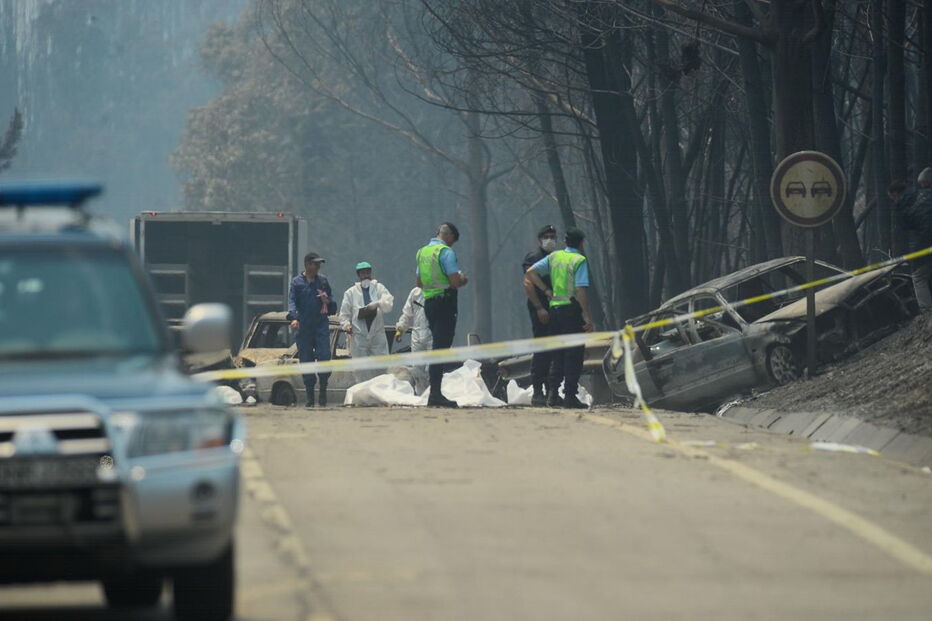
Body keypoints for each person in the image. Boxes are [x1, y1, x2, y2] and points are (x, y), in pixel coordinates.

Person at [524, 227, 594, 409]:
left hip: (554, 310)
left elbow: (530, 273)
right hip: (571, 311)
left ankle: (553, 394)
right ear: (581, 243)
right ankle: (570, 395)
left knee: (557, 354)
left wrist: (547, 291)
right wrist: (587, 315)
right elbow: (580, 289)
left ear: (564, 241)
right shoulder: (579, 260)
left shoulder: (555, 257)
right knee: (574, 354)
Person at [416, 222, 468, 407]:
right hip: (445, 303)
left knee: (437, 347)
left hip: (429, 303)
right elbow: (454, 281)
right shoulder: (446, 252)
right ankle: (436, 394)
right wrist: (462, 279)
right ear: (450, 236)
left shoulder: (422, 252)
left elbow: (419, 282)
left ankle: (435, 392)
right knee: (441, 349)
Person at [287, 252, 336, 408]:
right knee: (306, 359)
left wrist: (327, 301)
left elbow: (332, 303)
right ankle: (310, 396)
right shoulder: (297, 283)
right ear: (307, 264)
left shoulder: (323, 281)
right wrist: (294, 318)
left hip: (320, 324)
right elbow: (292, 301)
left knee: (324, 356)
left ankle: (322, 390)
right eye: (314, 264)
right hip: (304, 326)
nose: (317, 267)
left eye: (319, 264)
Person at [338, 261, 395, 383]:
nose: (366, 275)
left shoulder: (379, 288)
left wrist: (378, 303)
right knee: (360, 369)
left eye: (368, 272)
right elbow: (344, 315)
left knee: (381, 366)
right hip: (359, 335)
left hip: (377, 333)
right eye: (363, 273)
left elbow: (388, 304)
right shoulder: (351, 293)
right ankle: (364, 398)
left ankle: (381, 394)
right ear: (358, 275)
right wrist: (347, 325)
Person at [522, 224, 559, 406]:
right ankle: (538, 390)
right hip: (541, 307)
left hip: (557, 307)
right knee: (542, 349)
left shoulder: (556, 257)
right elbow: (528, 284)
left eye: (553, 236)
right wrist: (539, 308)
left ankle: (551, 390)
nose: (550, 240)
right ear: (540, 240)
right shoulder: (534, 258)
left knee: (554, 349)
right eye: (547, 236)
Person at [893, 168, 932, 312]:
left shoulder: (901, 206)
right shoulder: (925, 194)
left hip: (926, 241)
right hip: (926, 239)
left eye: (925, 184)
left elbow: (907, 227)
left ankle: (927, 315)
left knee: (918, 276)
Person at [395, 286, 432, 394]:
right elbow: (407, 314)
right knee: (417, 370)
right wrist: (400, 329)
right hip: (417, 335)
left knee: (432, 368)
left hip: (433, 334)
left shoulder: (437, 291)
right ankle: (421, 397)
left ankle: (433, 395)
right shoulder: (415, 293)